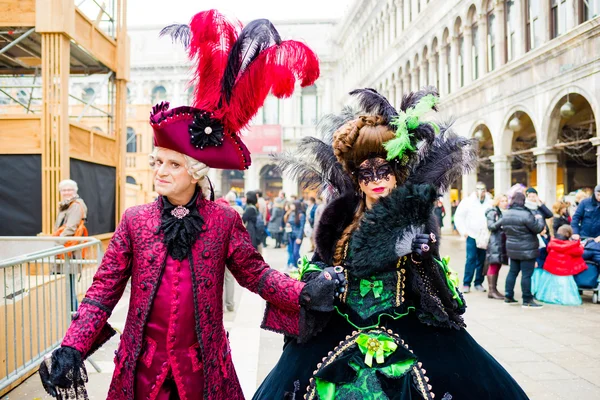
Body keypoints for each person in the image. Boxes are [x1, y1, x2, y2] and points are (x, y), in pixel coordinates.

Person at [38, 10, 340, 400]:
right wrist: (73, 346)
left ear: (195, 171)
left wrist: (301, 293)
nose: (160, 171)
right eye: (157, 162)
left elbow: (256, 275)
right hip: (140, 375)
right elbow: (102, 291)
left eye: (172, 164)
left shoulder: (223, 221)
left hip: (203, 375)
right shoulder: (134, 221)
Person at [253, 88, 527, 399]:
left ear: (396, 173)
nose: (376, 179)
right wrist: (323, 279)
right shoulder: (338, 216)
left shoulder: (416, 215)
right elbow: (318, 262)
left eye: (383, 169)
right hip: (341, 321)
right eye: (365, 173)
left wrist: (423, 259)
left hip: (404, 319)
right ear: (356, 179)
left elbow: (436, 291)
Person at [501, 192, 546, 308]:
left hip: (512, 248)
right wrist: (540, 218)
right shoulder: (526, 214)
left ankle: (508, 296)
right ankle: (527, 300)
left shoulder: (506, 214)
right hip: (527, 249)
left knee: (512, 272)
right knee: (526, 275)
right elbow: (538, 228)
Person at [52, 179, 88, 309]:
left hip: (69, 251)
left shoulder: (76, 206)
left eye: (69, 190)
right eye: (64, 190)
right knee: (65, 287)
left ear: (75, 191)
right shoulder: (66, 205)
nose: (67, 192)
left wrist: (55, 244)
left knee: (69, 287)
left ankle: (74, 319)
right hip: (64, 250)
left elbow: (70, 229)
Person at [454, 182, 492, 293]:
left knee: (481, 259)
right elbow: (459, 216)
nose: (480, 192)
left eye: (483, 189)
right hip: (471, 234)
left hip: (484, 235)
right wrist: (463, 231)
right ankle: (466, 283)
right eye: (478, 189)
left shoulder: (489, 201)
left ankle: (478, 282)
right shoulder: (468, 201)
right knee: (470, 259)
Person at [532, 225, 586, 305]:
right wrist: (578, 243)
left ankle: (547, 297)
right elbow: (580, 252)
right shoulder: (572, 246)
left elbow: (548, 250)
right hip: (564, 270)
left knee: (549, 285)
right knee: (564, 286)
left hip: (551, 269)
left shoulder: (552, 243)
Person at [485, 194, 509, 300]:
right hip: (495, 242)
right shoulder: (493, 212)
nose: (505, 202)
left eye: (506, 200)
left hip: (503, 241)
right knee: (494, 265)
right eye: (502, 201)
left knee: (498, 265)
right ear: (498, 202)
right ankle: (491, 291)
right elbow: (491, 226)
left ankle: (494, 290)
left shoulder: (505, 212)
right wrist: (503, 219)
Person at [285, 201, 306, 269]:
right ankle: (295, 266)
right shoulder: (291, 213)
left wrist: (299, 237)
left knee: (295, 252)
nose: (291, 206)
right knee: (291, 252)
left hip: (297, 236)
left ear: (296, 206)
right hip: (291, 235)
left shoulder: (301, 215)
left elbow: (302, 227)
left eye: (292, 205)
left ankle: (301, 266)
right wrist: (288, 224)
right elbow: (289, 221)